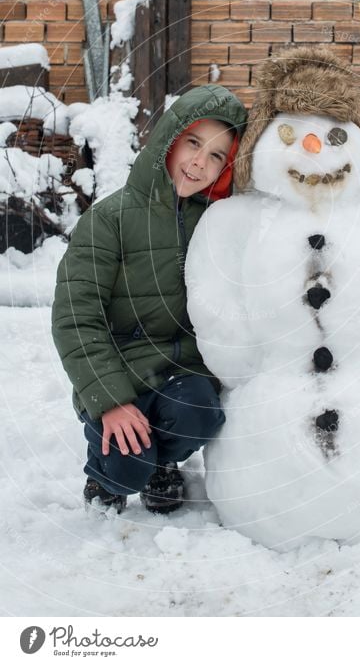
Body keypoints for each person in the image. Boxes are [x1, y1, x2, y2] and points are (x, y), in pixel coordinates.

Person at [52, 85, 247, 514]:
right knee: (126, 465)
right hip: (117, 370)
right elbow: (76, 318)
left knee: (201, 413)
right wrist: (111, 400)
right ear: (169, 140)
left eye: (216, 155)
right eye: (193, 143)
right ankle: (106, 476)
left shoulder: (220, 224)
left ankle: (164, 462)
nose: (199, 162)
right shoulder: (109, 220)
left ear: (227, 167)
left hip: (181, 371)